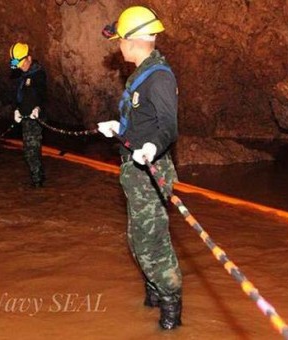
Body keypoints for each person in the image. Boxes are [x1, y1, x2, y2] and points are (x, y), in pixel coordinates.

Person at [97, 6, 182, 330]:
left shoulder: (158, 77)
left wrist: (151, 148)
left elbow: (168, 127)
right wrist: (118, 128)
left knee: (153, 242)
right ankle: (154, 294)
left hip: (152, 172)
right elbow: (141, 119)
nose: (118, 46)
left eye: (121, 40)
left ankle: (172, 309)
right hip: (136, 173)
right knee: (137, 239)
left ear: (133, 41)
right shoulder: (141, 73)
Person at [9, 42, 46, 188]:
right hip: (25, 117)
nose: (20, 67)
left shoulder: (38, 74)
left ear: (29, 58)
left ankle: (38, 183)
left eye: (22, 63)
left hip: (35, 118)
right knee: (29, 151)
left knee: (31, 151)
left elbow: (43, 95)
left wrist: (38, 108)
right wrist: (16, 109)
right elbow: (18, 95)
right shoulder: (21, 76)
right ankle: (38, 178)